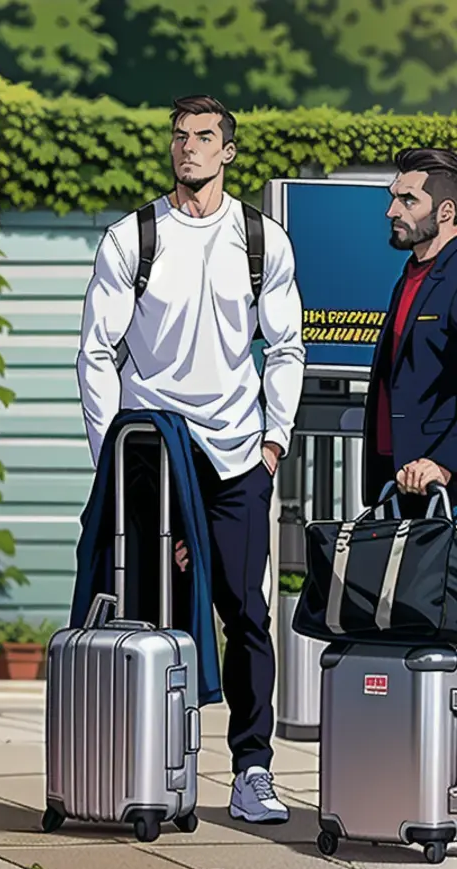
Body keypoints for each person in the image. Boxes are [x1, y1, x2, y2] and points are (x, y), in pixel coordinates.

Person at [76, 94, 305, 824]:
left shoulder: (262, 239)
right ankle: (146, 770)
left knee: (246, 611)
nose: (188, 148)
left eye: (204, 138)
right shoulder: (132, 238)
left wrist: (275, 442)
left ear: (228, 152)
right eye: (179, 137)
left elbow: (287, 348)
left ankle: (252, 769)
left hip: (237, 455)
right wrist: (111, 454)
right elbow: (95, 355)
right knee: (152, 614)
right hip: (153, 454)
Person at [363, 148, 457, 505]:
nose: (392, 211)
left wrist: (446, 463)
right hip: (399, 478)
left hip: (440, 484)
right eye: (394, 198)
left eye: (408, 200)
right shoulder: (411, 274)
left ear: (446, 211)